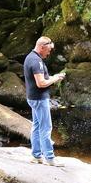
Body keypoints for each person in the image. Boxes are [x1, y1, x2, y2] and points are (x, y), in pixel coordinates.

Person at [23, 36, 65, 166]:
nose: (49, 52)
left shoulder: (30, 57)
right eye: (49, 49)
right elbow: (41, 83)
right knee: (46, 128)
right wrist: (55, 79)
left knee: (36, 126)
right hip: (39, 99)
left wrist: (52, 77)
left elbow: (41, 79)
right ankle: (50, 158)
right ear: (42, 47)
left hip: (32, 98)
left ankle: (36, 156)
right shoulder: (37, 61)